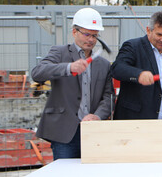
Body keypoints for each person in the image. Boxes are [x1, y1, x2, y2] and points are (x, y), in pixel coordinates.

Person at [31, 8, 114, 160]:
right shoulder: (60, 52)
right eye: (87, 34)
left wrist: (97, 116)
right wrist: (68, 68)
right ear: (74, 32)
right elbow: (37, 73)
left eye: (95, 36)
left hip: (92, 131)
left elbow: (108, 95)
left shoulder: (103, 64)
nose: (91, 39)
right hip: (64, 132)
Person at [111, 11, 162, 120]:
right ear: (148, 30)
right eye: (159, 34)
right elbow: (117, 68)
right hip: (136, 122)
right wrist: (138, 75)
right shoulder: (133, 47)